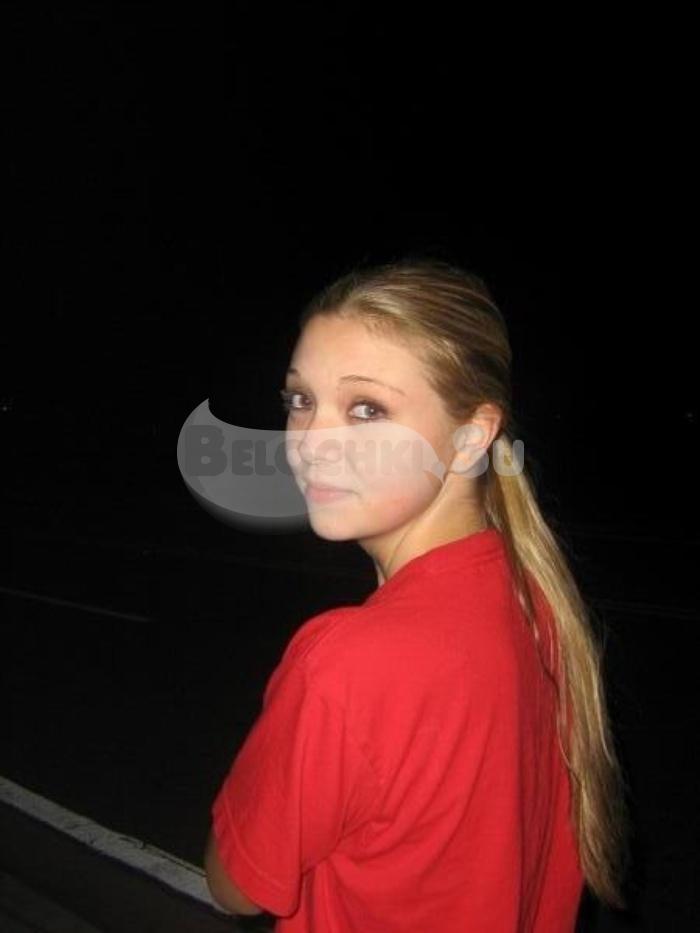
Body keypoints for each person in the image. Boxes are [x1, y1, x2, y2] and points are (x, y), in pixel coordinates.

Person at [203, 257, 631, 931]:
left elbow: (235, 886)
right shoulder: (535, 599)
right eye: (300, 400)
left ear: (470, 438)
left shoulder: (347, 661)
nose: (311, 443)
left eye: (366, 409)